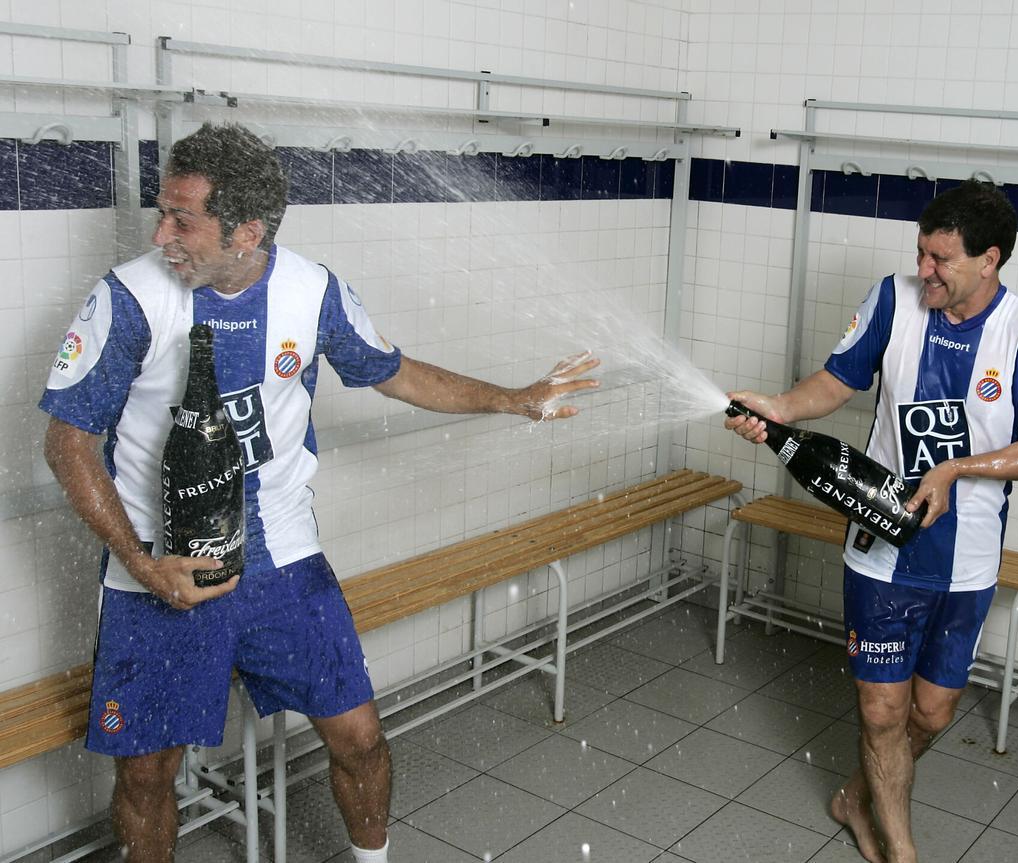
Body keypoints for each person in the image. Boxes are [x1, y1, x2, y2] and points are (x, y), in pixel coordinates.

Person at [39, 121, 599, 863]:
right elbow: (67, 442)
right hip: (158, 569)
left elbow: (395, 371)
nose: (160, 230)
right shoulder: (129, 299)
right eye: (161, 209)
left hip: (283, 558)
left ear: (246, 230)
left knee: (360, 738)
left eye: (182, 217)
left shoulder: (312, 290)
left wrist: (515, 398)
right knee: (147, 775)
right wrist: (143, 564)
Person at [726, 180, 1018, 863]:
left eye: (941, 259)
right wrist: (779, 406)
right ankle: (902, 850)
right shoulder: (893, 299)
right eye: (921, 251)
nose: (924, 271)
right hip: (881, 548)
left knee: (931, 714)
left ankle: (857, 796)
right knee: (882, 712)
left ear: (989, 259)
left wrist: (958, 469)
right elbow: (836, 381)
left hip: (968, 560)